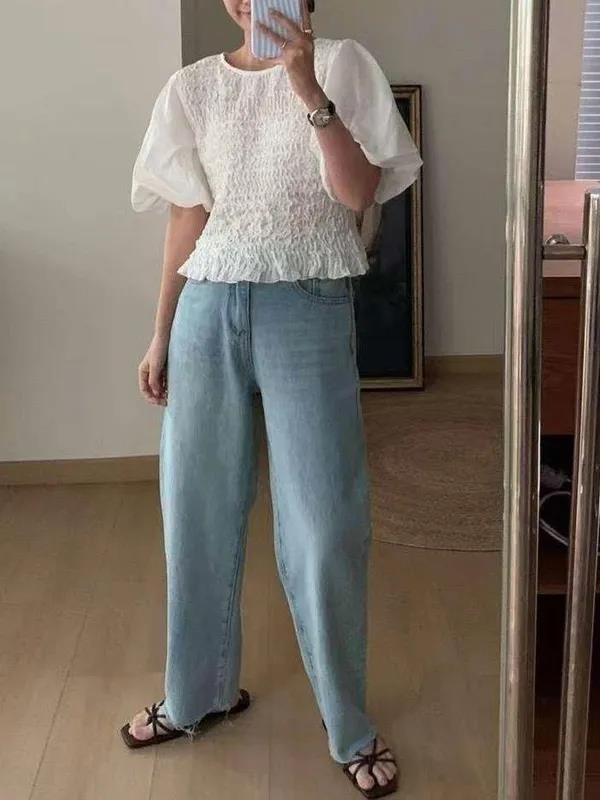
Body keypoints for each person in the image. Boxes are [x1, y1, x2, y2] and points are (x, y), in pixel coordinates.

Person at [121, 1, 422, 796]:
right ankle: (198, 695)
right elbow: (189, 215)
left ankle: (348, 723)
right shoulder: (192, 87)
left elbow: (359, 195)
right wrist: (160, 333)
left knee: (325, 525)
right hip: (206, 307)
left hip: (307, 305)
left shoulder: (344, 64)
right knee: (195, 511)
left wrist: (306, 88)